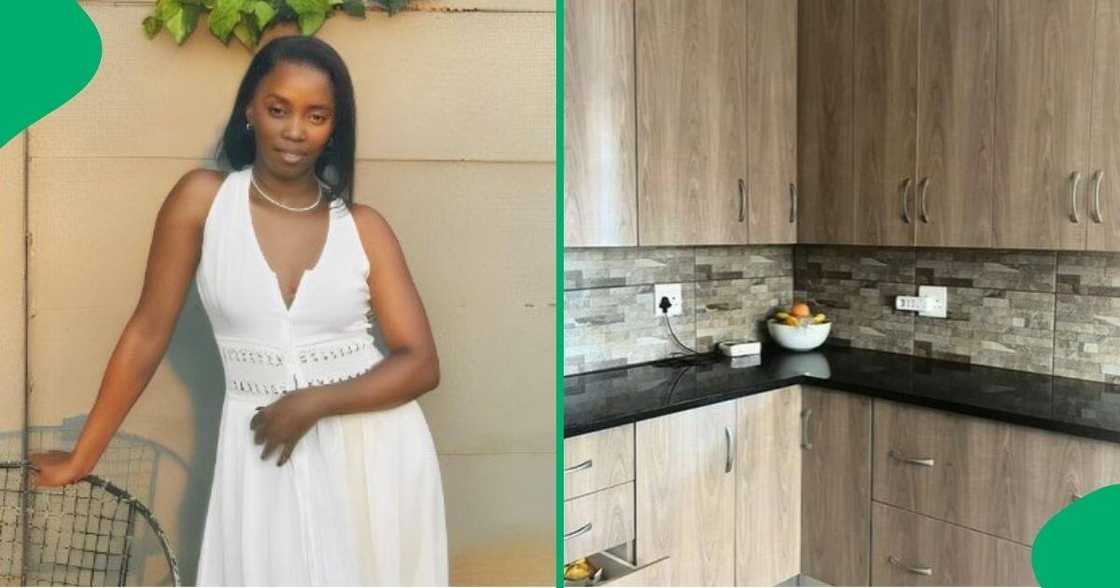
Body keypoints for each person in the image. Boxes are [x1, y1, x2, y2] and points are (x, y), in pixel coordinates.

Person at [27, 34, 449, 585]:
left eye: (316, 116)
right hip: (262, 445)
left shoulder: (364, 228)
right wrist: (85, 456)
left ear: (333, 128)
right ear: (250, 109)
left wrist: (312, 403)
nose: (295, 131)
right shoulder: (203, 201)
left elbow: (421, 363)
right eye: (279, 110)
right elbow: (148, 332)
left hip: (373, 454)